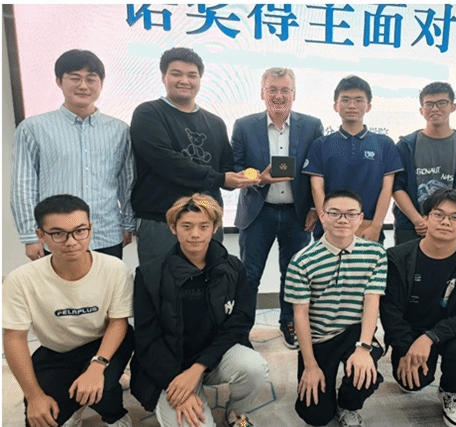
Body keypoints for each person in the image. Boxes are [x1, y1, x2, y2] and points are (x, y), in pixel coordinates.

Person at [131, 193, 268, 427]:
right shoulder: (149, 274)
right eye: (186, 226)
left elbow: (240, 321)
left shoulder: (233, 267)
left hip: (214, 357)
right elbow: (147, 338)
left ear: (215, 228)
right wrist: (176, 382)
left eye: (203, 226)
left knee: (253, 367)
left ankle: (235, 412)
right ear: (173, 228)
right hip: (171, 364)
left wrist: (198, 368)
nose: (195, 234)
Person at [3, 194, 134, 427]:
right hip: (57, 350)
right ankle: (75, 406)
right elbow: (14, 338)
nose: (71, 241)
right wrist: (34, 396)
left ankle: (115, 415)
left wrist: (97, 366)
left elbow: (118, 321)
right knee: (41, 418)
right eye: (58, 233)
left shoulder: (114, 269)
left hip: (103, 342)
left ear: (90, 228)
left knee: (102, 389)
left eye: (79, 231)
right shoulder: (20, 280)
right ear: (40, 235)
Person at [130, 47, 260, 266]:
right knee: (159, 283)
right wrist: (221, 178)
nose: (185, 81)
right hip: (161, 222)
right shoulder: (148, 113)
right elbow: (167, 162)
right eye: (176, 74)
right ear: (163, 77)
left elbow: (226, 169)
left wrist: (250, 177)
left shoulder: (215, 122)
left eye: (192, 75)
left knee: (211, 283)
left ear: (200, 79)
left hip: (207, 222)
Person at [380, 188, 456, 427]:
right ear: (425, 218)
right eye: (438, 214)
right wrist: (404, 346)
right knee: (413, 382)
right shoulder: (397, 259)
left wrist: (431, 337)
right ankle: (410, 362)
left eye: (455, 217)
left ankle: (451, 391)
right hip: (411, 331)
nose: (445, 222)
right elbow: (390, 311)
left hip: (453, 334)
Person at [11, 49, 135, 260]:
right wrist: (30, 235)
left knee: (109, 283)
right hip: (57, 237)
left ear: (101, 83)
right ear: (59, 81)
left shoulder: (120, 130)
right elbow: (23, 186)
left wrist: (128, 223)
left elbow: (127, 182)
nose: (83, 86)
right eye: (75, 78)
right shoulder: (33, 128)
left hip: (106, 234)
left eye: (91, 79)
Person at [232, 67, 324, 348]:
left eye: (285, 90)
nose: (279, 96)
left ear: (294, 94)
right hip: (258, 212)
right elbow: (235, 168)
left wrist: (314, 207)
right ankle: (241, 330)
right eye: (272, 89)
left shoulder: (312, 125)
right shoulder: (244, 125)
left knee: (294, 274)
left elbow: (318, 169)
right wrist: (258, 177)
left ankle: (289, 322)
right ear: (262, 93)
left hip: (298, 214)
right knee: (249, 275)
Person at [285, 189, 386, 427]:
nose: (343, 220)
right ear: (322, 216)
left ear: (361, 219)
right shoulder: (302, 260)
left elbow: (372, 301)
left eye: (351, 214)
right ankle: (324, 394)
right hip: (319, 336)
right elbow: (300, 315)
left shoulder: (375, 254)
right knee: (316, 416)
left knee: (365, 374)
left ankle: (348, 405)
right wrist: (310, 365)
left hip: (354, 332)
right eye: (335, 213)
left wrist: (364, 348)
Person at [303, 75, 403, 243]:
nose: (352, 105)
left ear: (368, 106)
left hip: (369, 231)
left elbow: (387, 189)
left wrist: (376, 226)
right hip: (329, 232)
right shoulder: (320, 145)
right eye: (345, 100)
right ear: (335, 105)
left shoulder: (384, 144)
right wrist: (327, 224)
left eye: (358, 100)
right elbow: (317, 188)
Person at [392, 82, 456, 245]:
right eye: (429, 104)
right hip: (411, 226)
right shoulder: (406, 145)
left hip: (448, 227)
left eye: (442, 103)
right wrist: (419, 221)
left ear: (453, 107)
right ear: (421, 110)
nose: (435, 109)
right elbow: (397, 186)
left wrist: (446, 219)